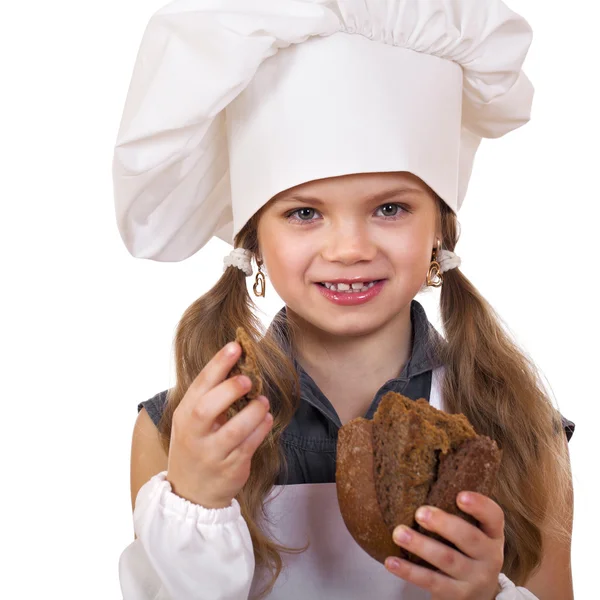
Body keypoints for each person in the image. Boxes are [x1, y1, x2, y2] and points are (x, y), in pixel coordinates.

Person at [112, 1, 576, 599]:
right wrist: (195, 507)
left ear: (441, 227)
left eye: (391, 208)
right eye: (304, 212)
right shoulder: (177, 431)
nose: (350, 248)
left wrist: (488, 593)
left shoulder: (517, 427)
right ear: (253, 237)